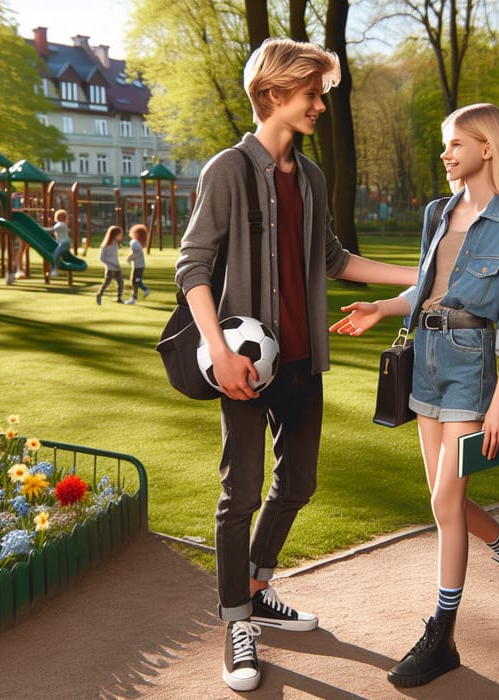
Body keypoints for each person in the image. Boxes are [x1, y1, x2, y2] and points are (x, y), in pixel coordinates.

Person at [175, 37, 416, 692]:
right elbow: (192, 265)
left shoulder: (309, 177)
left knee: (299, 483)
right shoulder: (227, 170)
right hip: (246, 367)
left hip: (304, 364)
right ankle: (236, 623)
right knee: (241, 492)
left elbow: (335, 258)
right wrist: (219, 352)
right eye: (312, 94)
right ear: (275, 95)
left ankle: (255, 586)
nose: (320, 106)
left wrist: (420, 273)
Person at [331, 103, 499, 687]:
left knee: (445, 506)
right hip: (425, 363)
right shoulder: (438, 211)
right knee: (444, 502)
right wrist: (383, 306)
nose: (445, 153)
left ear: (487, 149)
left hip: (473, 368)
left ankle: (443, 635)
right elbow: (427, 288)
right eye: (445, 144)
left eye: (456, 143)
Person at [96, 226, 125, 305]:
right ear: (115, 234)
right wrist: (112, 263)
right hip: (110, 269)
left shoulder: (115, 244)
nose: (121, 236)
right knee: (106, 283)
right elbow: (102, 258)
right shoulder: (106, 245)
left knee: (121, 283)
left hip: (117, 268)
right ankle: (99, 295)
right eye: (120, 234)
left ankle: (119, 298)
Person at [125, 224, 150, 304]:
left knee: (136, 281)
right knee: (134, 281)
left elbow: (135, 254)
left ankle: (145, 289)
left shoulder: (134, 242)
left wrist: (129, 258)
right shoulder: (137, 243)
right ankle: (134, 298)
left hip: (137, 266)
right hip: (139, 265)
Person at [48, 209, 71, 279]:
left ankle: (55, 270)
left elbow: (51, 230)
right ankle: (59, 269)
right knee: (61, 256)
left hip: (63, 243)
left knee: (55, 255)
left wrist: (41, 228)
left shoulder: (60, 224)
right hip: (65, 243)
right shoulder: (62, 224)